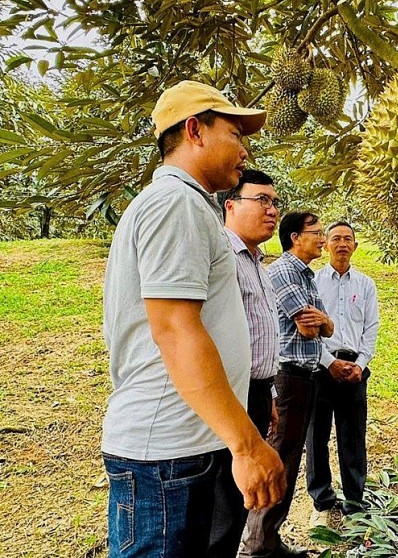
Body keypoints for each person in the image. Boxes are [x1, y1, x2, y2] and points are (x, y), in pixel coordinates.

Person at [102, 80, 285, 558]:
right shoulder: (175, 204)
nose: (244, 151)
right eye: (235, 134)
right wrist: (247, 446)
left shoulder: (183, 204)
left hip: (179, 451)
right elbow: (176, 331)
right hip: (165, 456)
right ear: (194, 131)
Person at [240, 211, 334, 558]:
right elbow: (309, 329)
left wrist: (323, 321)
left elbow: (328, 328)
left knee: (290, 459)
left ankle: (268, 539)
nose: (323, 239)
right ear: (295, 237)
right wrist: (320, 323)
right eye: (317, 233)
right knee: (278, 457)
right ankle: (256, 545)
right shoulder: (284, 272)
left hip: (305, 376)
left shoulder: (306, 276)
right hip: (289, 377)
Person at [206, 169, 284, 555]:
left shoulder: (257, 262)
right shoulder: (222, 256)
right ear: (231, 206)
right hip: (227, 392)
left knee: (236, 506)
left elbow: (258, 334)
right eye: (262, 200)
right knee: (220, 506)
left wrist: (269, 394)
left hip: (256, 391)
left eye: (275, 202)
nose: (273, 210)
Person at [307, 222, 380, 528]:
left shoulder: (366, 285)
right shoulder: (313, 282)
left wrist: (360, 364)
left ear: (355, 246)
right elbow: (309, 330)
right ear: (326, 244)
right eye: (335, 238)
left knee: (353, 436)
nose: (342, 244)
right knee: (317, 436)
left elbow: (371, 329)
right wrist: (328, 362)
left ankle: (354, 501)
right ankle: (322, 501)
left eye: (347, 239)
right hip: (321, 368)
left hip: (354, 370)